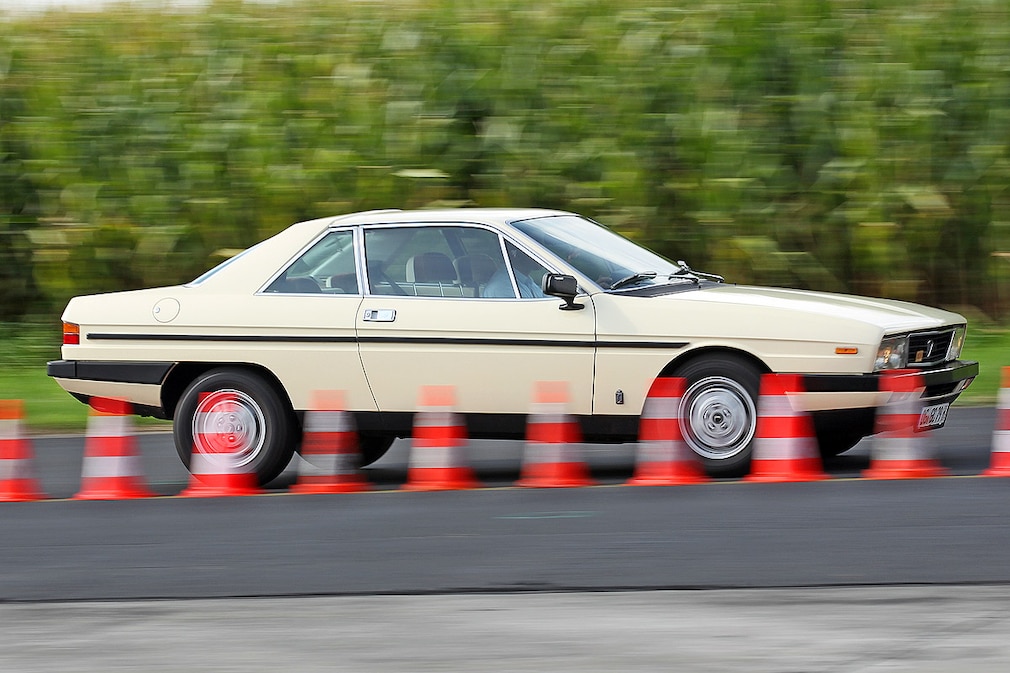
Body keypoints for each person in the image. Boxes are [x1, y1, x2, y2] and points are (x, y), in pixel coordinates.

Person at [482, 244, 547, 298]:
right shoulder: (502, 287)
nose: (541, 254)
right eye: (533, 250)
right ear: (516, 254)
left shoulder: (524, 280)